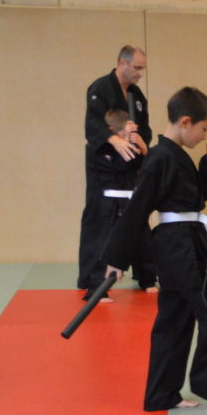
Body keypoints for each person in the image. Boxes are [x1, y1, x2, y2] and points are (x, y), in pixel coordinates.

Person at [103, 86, 207, 411]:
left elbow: (190, 201)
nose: (204, 135)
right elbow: (138, 210)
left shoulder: (173, 156)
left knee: (175, 319)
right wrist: (115, 258)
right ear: (185, 121)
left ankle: (162, 394)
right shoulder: (161, 158)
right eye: (204, 129)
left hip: (181, 240)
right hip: (180, 245)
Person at [79, 45, 157, 300]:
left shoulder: (136, 96)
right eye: (137, 67)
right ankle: (95, 284)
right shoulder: (100, 89)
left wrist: (143, 144)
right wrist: (114, 140)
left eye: (142, 68)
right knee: (102, 222)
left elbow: (144, 128)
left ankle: (146, 275)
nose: (140, 73)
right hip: (104, 169)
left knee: (136, 219)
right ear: (121, 63)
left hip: (131, 167)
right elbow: (92, 125)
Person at [82, 109, 146, 303]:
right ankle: (96, 289)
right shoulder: (95, 148)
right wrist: (129, 145)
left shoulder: (129, 147)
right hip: (107, 204)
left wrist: (142, 147)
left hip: (128, 201)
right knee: (102, 245)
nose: (126, 140)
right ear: (111, 132)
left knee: (142, 241)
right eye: (123, 136)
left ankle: (147, 278)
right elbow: (121, 165)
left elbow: (142, 167)